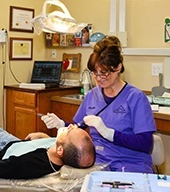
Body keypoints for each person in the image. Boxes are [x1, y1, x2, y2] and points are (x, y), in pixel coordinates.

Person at [41, 36, 156, 173]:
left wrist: (110, 134)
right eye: (95, 73)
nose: (99, 78)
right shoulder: (92, 96)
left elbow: (146, 144)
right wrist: (61, 125)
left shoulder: (135, 98)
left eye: (104, 73)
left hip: (130, 164)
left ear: (118, 67)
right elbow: (78, 128)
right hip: (97, 164)